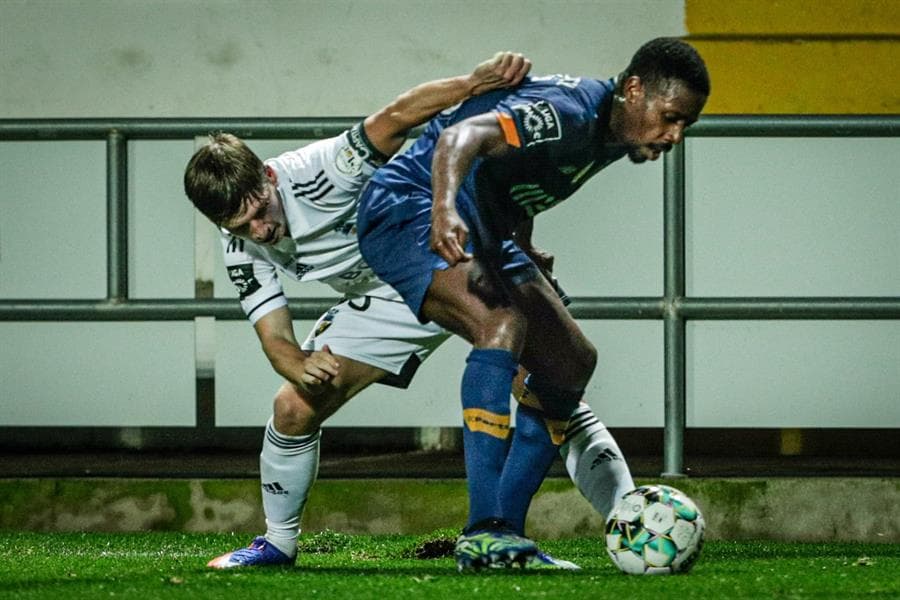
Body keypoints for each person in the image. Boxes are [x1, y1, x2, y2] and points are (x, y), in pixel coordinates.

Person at [184, 52, 635, 570]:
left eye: (261, 212)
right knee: (292, 408)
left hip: (430, 248)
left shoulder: (318, 169)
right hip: (383, 297)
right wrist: (300, 367)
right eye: (241, 227)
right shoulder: (240, 244)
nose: (260, 231)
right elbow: (276, 340)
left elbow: (397, 116)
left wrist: (472, 83)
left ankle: (629, 516)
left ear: (268, 177)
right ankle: (277, 543)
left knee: (550, 378)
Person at [356, 37, 710, 570]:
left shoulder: (616, 132)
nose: (675, 134)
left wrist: (520, 243)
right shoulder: (568, 112)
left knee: (570, 363)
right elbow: (462, 136)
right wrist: (444, 208)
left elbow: (515, 178)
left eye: (686, 125)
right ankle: (484, 530)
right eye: (671, 117)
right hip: (408, 206)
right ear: (634, 90)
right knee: (501, 324)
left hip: (487, 231)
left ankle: (506, 539)